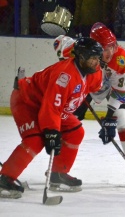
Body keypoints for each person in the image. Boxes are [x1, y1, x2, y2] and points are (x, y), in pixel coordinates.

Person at [0, 37, 103, 199]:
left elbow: (94, 88)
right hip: (27, 101)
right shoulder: (64, 76)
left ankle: (58, 174)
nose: (97, 62)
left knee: (76, 131)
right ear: (81, 57)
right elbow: (51, 107)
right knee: (36, 139)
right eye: (93, 58)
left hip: (49, 105)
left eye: (98, 58)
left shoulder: (93, 71)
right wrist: (51, 131)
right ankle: (4, 179)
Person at [53, 23, 125, 187]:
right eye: (104, 48)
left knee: (123, 117)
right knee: (64, 118)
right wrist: (66, 52)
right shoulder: (82, 49)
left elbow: (120, 91)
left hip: (110, 88)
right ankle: (58, 168)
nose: (109, 52)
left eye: (112, 46)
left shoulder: (121, 57)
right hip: (86, 85)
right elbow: (58, 43)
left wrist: (109, 118)